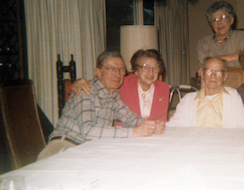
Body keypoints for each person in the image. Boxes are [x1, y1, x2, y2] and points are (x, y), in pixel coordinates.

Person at [37, 50, 165, 160]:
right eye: (111, 69)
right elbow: (88, 131)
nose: (117, 74)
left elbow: (131, 119)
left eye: (121, 70)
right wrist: (134, 132)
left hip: (88, 149)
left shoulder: (113, 96)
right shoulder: (86, 91)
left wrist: (153, 125)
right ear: (98, 72)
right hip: (64, 146)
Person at [71, 49, 170, 123]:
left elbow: (162, 119)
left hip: (149, 134)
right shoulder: (121, 82)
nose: (150, 72)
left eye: (155, 68)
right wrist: (77, 83)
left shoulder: (163, 88)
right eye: (145, 67)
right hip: (122, 135)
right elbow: (95, 86)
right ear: (136, 70)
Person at [166, 57, 244, 129]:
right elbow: (174, 125)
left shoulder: (233, 96)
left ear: (225, 76)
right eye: (209, 71)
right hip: (195, 146)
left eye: (218, 71)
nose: (213, 75)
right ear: (201, 73)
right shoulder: (188, 99)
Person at [197, 1, 244, 68]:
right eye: (214, 20)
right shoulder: (205, 42)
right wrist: (233, 56)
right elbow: (206, 65)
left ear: (231, 20)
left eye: (223, 17)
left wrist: (214, 60)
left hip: (238, 77)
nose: (219, 22)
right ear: (211, 25)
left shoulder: (241, 36)